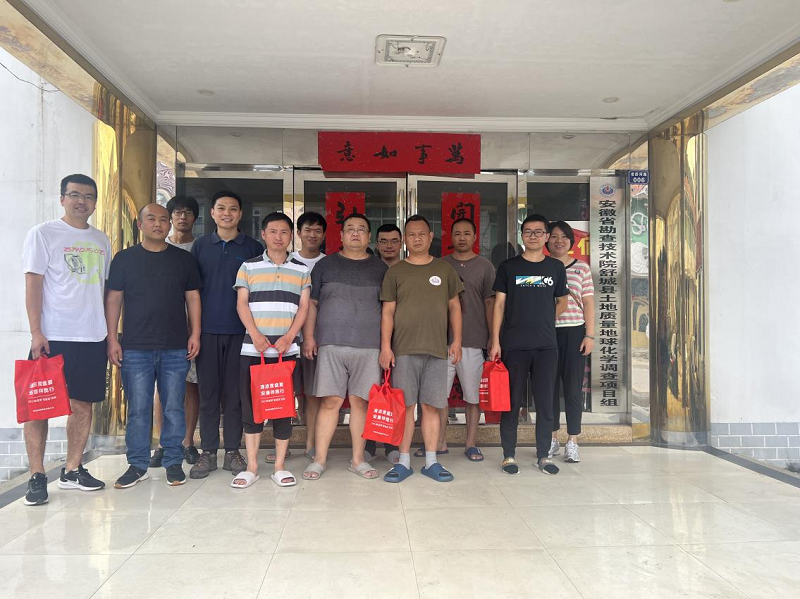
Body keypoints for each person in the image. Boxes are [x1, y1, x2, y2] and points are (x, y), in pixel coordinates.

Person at [21, 174, 111, 505]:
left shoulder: (101, 240)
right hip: (52, 335)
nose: (81, 201)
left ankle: (72, 469)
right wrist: (36, 331)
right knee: (39, 407)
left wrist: (109, 334)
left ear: (95, 203)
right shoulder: (43, 234)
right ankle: (36, 475)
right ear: (62, 199)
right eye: (75, 195)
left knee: (82, 404)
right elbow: (33, 285)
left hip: (92, 335)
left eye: (88, 197)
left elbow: (103, 290)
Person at [106, 204, 201, 488]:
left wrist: (195, 333)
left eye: (163, 219)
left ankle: (173, 462)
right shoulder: (124, 259)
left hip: (175, 346)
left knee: (173, 407)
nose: (158, 224)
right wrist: (112, 338)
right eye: (152, 219)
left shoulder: (182, 259)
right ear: (140, 224)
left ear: (169, 224)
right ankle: (137, 464)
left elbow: (193, 297)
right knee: (138, 409)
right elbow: (114, 299)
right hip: (135, 346)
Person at [302, 213, 387, 480]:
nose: (355, 233)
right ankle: (319, 459)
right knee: (331, 402)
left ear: (369, 236)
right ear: (340, 235)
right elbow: (312, 305)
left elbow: (388, 311)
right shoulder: (325, 265)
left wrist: (386, 346)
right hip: (330, 343)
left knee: (360, 403)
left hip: (369, 346)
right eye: (350, 229)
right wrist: (309, 337)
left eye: (361, 229)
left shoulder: (380, 268)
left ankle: (358, 459)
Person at [380, 215, 463, 484]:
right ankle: (403, 461)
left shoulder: (444, 269)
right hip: (403, 350)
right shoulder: (396, 272)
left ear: (430, 237)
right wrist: (385, 347)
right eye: (411, 234)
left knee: (431, 406)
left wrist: (456, 340)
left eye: (421, 234)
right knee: (405, 407)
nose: (416, 238)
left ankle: (431, 461)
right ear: (405, 240)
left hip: (437, 350)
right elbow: (387, 312)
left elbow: (454, 307)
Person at [232, 212, 310, 489]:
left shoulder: (302, 270)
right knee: (252, 407)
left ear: (292, 236)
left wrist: (290, 336)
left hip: (286, 352)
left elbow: (304, 307)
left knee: (282, 407)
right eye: (273, 232)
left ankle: (279, 466)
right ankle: (252, 467)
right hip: (253, 350)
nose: (279, 237)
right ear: (263, 235)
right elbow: (242, 303)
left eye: (284, 232)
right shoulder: (248, 266)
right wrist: (255, 334)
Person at [189, 191, 263, 479]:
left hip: (241, 333)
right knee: (208, 394)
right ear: (212, 213)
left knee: (235, 395)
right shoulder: (200, 246)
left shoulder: (253, 247)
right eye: (221, 208)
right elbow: (192, 292)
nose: (227, 213)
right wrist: (194, 332)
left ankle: (232, 450)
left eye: (233, 209)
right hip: (207, 331)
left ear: (240, 214)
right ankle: (208, 451)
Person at [490, 214, 567, 475]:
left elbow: (563, 301)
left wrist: (544, 319)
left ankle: (543, 455)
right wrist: (495, 340)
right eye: (528, 232)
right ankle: (508, 455)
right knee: (511, 403)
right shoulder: (508, 267)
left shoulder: (555, 268)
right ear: (522, 236)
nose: (533, 236)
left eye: (538, 232)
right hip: (514, 345)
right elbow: (499, 305)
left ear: (546, 237)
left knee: (545, 402)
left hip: (546, 346)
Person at [150, 195, 201, 468]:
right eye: (178, 212)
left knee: (191, 385)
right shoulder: (158, 246)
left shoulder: (200, 248)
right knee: (164, 388)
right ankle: (162, 443)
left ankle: (188, 442)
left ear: (195, 217)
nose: (183, 217)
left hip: (192, 328)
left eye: (188, 213)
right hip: (163, 327)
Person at [440, 218, 495, 462]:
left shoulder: (485, 266)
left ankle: (471, 443)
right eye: (457, 233)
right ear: (450, 237)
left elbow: (490, 303)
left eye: (466, 233)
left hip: (474, 339)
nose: (461, 238)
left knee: (473, 397)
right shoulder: (440, 265)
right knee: (438, 397)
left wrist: (493, 337)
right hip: (441, 341)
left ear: (474, 237)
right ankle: (439, 442)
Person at [546, 221, 595, 463]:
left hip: (574, 333)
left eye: (564, 237)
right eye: (554, 236)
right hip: (546, 333)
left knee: (573, 389)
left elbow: (588, 303)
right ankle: (552, 438)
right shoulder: (541, 267)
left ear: (571, 241)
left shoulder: (581, 268)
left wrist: (589, 335)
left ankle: (573, 440)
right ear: (547, 240)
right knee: (549, 389)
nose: (559, 241)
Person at [365, 223, 404, 463]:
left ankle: (392, 445)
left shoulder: (409, 269)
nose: (389, 246)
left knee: (395, 393)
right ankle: (369, 444)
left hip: (402, 340)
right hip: (370, 339)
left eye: (394, 241)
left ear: (401, 243)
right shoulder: (370, 268)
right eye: (383, 241)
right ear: (376, 244)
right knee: (372, 392)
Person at [290, 211, 326, 463]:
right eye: (307, 230)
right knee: (286, 392)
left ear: (324, 235)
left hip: (317, 339)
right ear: (299, 233)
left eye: (317, 231)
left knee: (313, 394)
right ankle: (282, 443)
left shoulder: (329, 263)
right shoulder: (287, 261)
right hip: (287, 339)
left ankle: (311, 443)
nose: (312, 235)